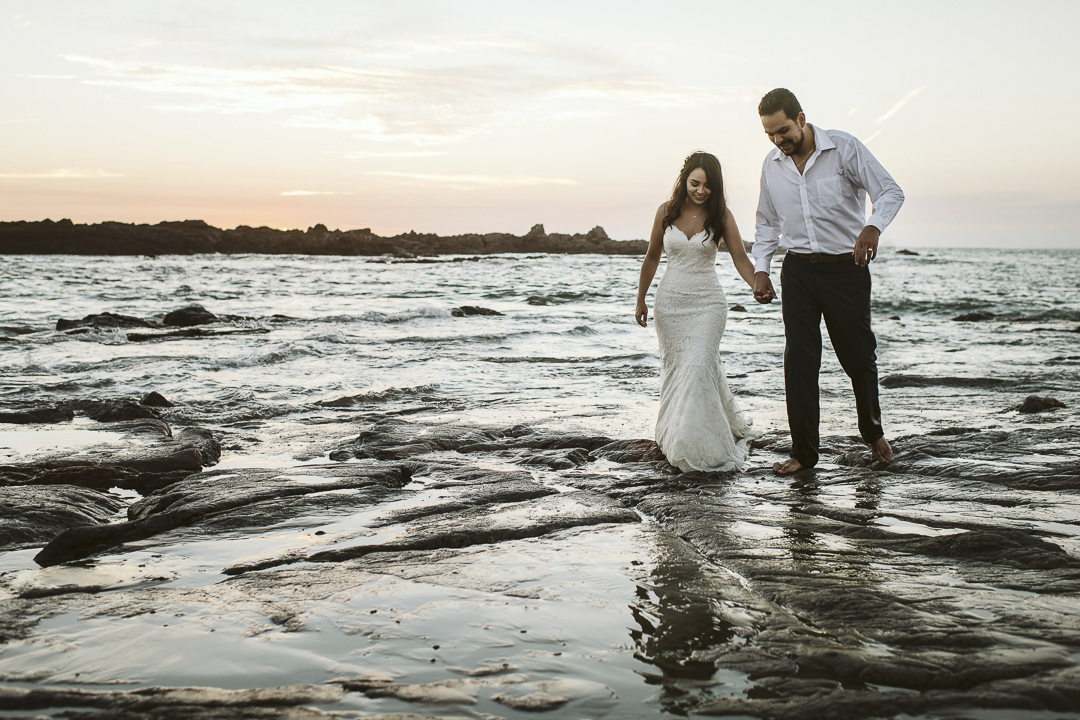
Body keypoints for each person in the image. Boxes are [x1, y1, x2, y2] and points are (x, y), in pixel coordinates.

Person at [751, 88, 904, 476]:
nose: (778, 140)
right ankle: (803, 453)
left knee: (857, 357)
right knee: (799, 362)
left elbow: (889, 191)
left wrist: (873, 226)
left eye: (783, 130)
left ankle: (872, 433)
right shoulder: (772, 165)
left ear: (801, 119)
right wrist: (762, 269)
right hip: (798, 270)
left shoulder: (844, 148)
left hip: (846, 268)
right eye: (770, 134)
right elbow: (767, 222)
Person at [636, 152, 758, 472]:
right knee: (679, 372)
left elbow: (741, 259)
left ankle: (702, 445)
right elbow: (651, 258)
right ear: (684, 179)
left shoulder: (722, 216)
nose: (701, 191)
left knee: (701, 365)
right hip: (671, 304)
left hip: (708, 303)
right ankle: (678, 437)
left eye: (707, 186)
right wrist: (641, 299)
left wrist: (757, 282)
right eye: (695, 183)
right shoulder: (666, 212)